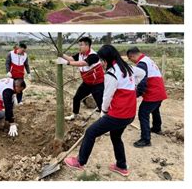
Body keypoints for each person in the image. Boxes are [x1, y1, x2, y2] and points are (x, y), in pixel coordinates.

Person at [64, 44, 146, 177]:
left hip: (118, 114)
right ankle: (121, 166)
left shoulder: (111, 73)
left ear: (106, 59)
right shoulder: (127, 68)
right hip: (130, 114)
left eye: (101, 60)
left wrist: (103, 112)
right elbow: (142, 73)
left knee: (90, 132)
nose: (101, 63)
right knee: (116, 136)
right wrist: (133, 85)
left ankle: (80, 162)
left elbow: (107, 97)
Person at [127, 47, 168, 148]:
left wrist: (136, 94)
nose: (131, 61)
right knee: (155, 110)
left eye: (130, 58)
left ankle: (146, 139)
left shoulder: (142, 64)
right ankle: (156, 128)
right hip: (159, 92)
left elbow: (142, 81)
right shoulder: (148, 60)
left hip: (154, 93)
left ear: (132, 56)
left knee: (143, 113)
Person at [59, 36, 105, 121]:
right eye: (79, 45)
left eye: (81, 45)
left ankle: (105, 120)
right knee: (76, 98)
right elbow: (70, 58)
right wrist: (60, 54)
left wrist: (67, 63)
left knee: (100, 102)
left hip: (97, 83)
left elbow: (82, 63)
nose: (79, 46)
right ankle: (74, 115)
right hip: (87, 83)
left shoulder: (94, 56)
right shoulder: (80, 54)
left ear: (87, 45)